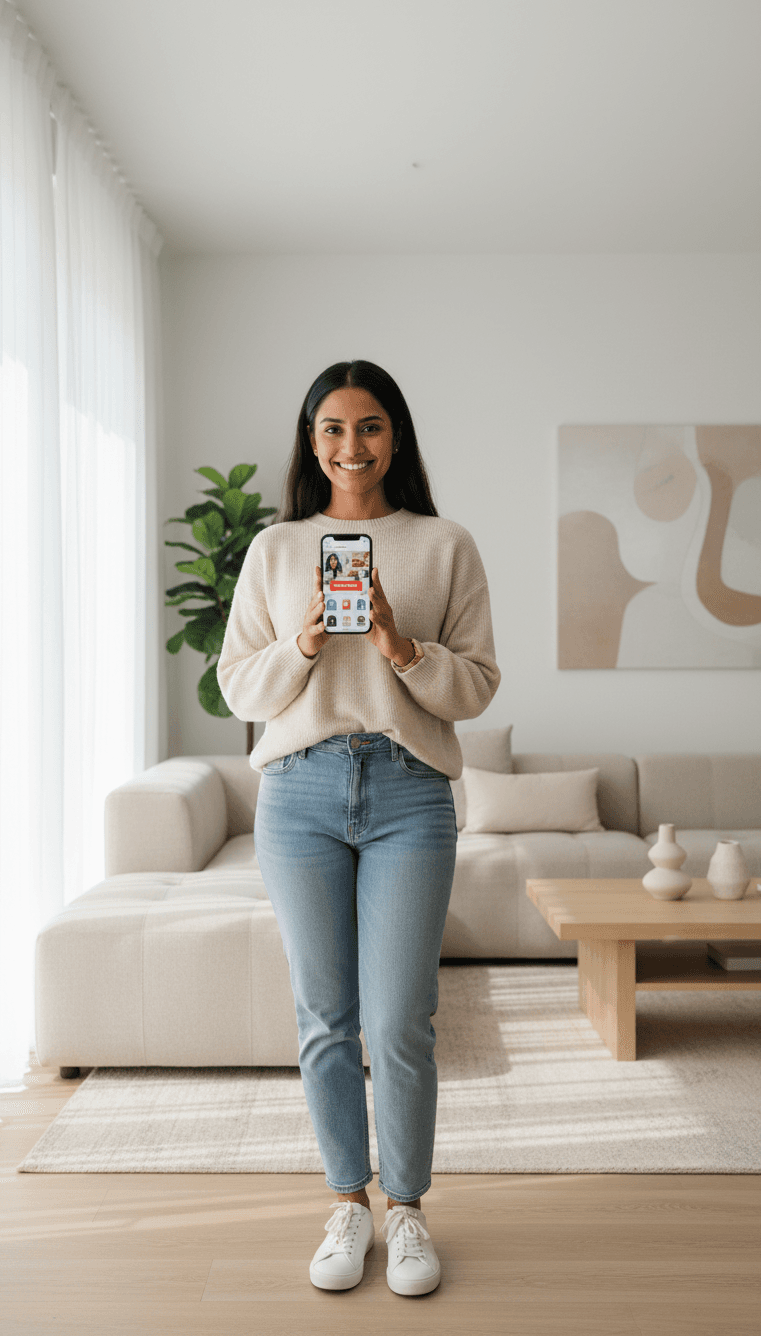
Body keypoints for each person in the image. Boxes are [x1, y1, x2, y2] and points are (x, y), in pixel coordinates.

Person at [217, 359, 500, 1297]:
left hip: (410, 792)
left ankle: (408, 1211)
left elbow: (478, 685)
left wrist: (397, 644)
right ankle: (348, 1201)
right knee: (326, 1017)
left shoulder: (444, 545)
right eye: (333, 429)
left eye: (370, 427)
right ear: (311, 441)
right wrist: (303, 641)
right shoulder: (275, 549)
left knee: (400, 1018)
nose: (352, 447)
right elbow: (237, 687)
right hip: (297, 792)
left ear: (397, 437)